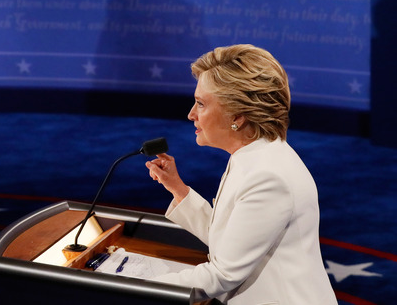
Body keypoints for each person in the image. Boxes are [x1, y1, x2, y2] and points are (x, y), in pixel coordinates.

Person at [144, 44, 336, 304]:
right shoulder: (254, 155)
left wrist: (126, 284)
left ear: (239, 116)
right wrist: (178, 189)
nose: (191, 114)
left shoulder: (269, 176)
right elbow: (229, 238)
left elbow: (223, 274)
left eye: (201, 104)